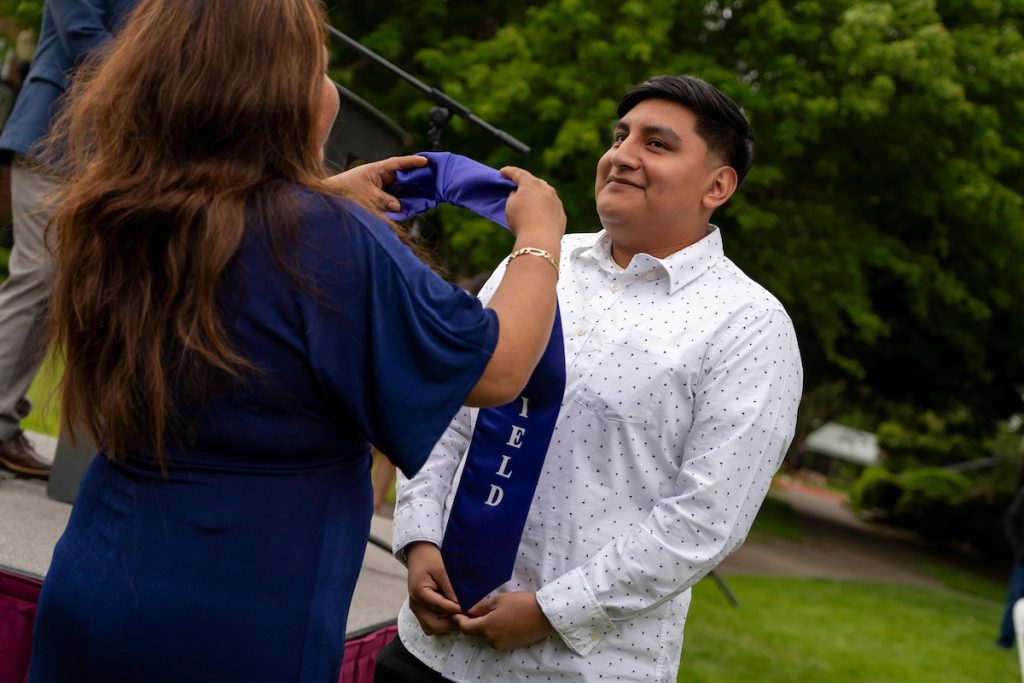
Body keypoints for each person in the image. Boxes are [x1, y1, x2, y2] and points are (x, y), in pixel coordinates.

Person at [27, 1, 565, 681]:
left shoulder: (118, 207)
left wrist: (321, 195)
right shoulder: (326, 242)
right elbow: (498, 365)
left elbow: (237, 243)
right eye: (321, 67)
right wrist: (540, 233)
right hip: (236, 620)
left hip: (94, 578)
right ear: (274, 91)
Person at [379, 75, 803, 682]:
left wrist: (553, 612)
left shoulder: (750, 327)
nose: (622, 155)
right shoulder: (536, 264)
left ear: (718, 184)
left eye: (656, 144)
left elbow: (707, 517)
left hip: (573, 668)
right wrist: (419, 540)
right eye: (619, 135)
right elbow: (451, 408)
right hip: (426, 648)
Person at [0, 0, 139, 478]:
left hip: (108, 153)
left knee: (54, 290)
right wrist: (162, 77)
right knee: (35, 275)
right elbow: (83, 37)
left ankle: (3, 423)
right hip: (51, 136)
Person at [997, 469, 1024, 648]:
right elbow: (1010, 520)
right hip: (1023, 562)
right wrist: (1019, 548)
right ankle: (1004, 642)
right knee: (1015, 601)